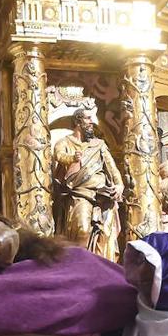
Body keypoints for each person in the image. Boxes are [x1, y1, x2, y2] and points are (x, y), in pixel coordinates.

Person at [51, 101, 124, 260]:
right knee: (83, 230)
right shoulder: (64, 142)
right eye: (88, 118)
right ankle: (79, 268)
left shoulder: (99, 145)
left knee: (104, 235)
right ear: (78, 122)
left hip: (102, 195)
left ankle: (98, 267)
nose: (92, 122)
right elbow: (59, 156)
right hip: (79, 194)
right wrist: (72, 158)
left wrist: (119, 185)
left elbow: (112, 168)